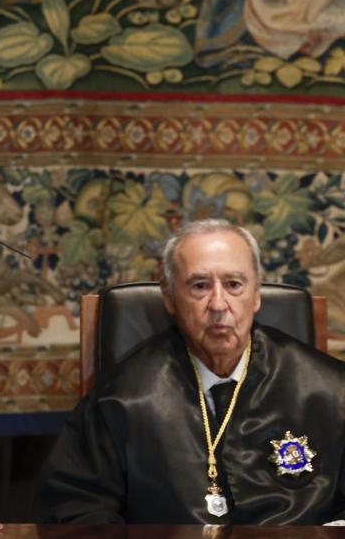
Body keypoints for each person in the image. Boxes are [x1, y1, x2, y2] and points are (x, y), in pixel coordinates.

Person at [33, 219, 345, 524]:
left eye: (234, 284)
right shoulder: (121, 398)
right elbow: (73, 509)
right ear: (169, 297)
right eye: (199, 286)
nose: (219, 304)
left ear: (257, 294)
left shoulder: (331, 390)